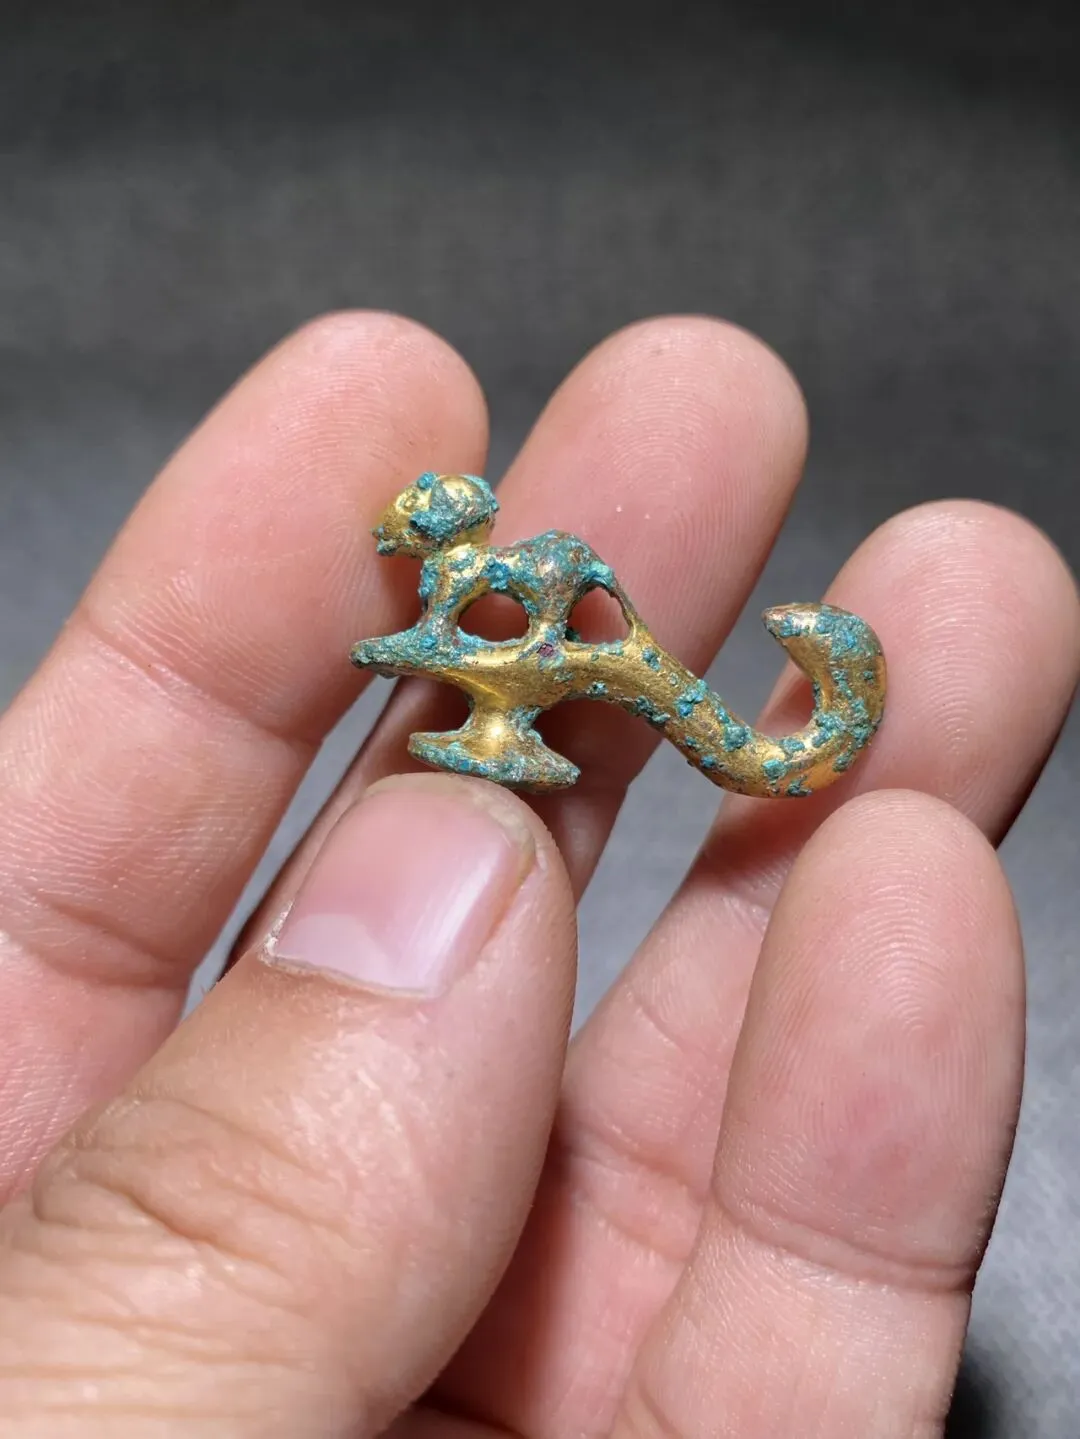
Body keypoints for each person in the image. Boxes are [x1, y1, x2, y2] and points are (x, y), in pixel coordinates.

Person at [0, 312, 1075, 1438]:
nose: (403, 534)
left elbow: (456, 643)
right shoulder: (466, 587)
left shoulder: (496, 591)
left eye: (416, 524)